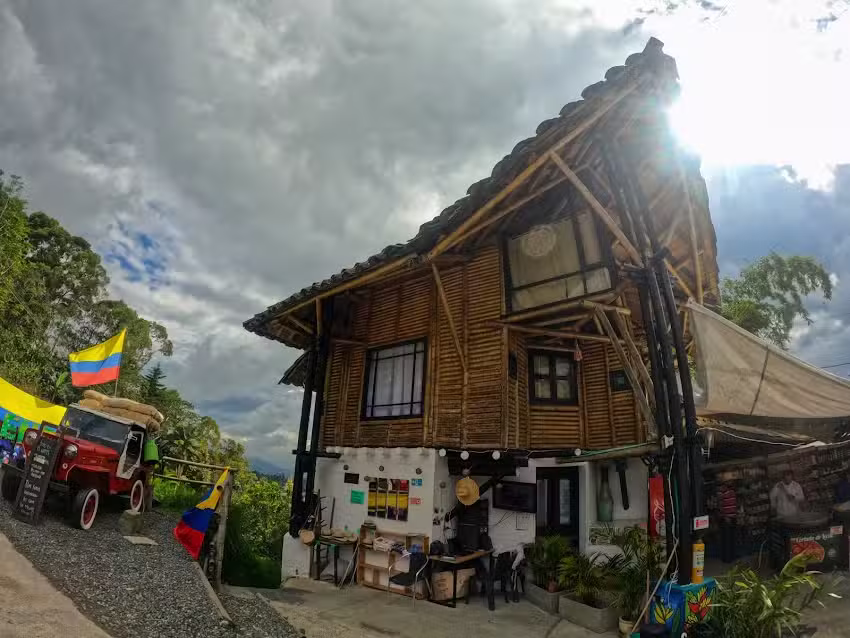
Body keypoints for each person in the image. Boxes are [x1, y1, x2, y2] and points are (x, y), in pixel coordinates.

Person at [718, 482, 737, 563]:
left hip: (728, 518)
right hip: (729, 518)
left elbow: (721, 506)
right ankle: (729, 557)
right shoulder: (729, 493)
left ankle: (727, 557)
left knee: (727, 539)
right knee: (729, 539)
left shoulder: (724, 493)